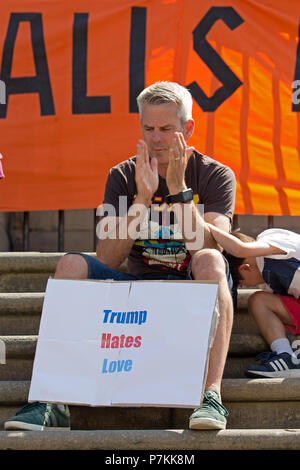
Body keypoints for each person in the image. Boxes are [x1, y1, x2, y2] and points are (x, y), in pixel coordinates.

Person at [5, 81, 236, 431]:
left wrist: (177, 191)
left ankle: (210, 395)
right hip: (139, 288)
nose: (156, 138)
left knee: (211, 261)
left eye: (166, 129)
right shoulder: (123, 175)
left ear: (188, 128)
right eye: (148, 128)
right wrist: (141, 201)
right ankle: (51, 398)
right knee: (71, 263)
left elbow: (208, 247)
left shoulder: (216, 175)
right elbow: (108, 256)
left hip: (191, 289)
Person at [207, 223, 300, 378]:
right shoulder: (267, 281)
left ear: (245, 268)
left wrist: (202, 223)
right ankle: (286, 357)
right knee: (258, 300)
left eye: (242, 283)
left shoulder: (271, 240)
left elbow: (239, 249)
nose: (248, 285)